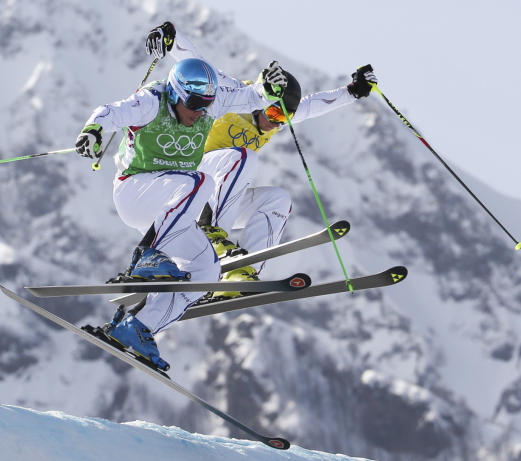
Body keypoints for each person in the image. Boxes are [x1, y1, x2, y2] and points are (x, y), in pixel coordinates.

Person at [73, 24, 288, 371]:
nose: (199, 112)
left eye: (206, 105)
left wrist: (268, 87)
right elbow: (110, 112)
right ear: (175, 93)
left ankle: (137, 328)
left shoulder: (208, 104)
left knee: (207, 268)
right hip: (136, 192)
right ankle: (148, 258)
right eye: (193, 103)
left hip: (172, 207)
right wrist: (94, 131)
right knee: (198, 181)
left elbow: (251, 97)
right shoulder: (152, 101)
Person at [160, 22, 378, 288]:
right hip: (188, 185)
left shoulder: (279, 118)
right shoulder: (238, 95)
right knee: (241, 157)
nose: (277, 123)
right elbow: (198, 62)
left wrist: (352, 92)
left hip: (219, 197)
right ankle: (211, 234)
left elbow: (315, 104)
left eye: (284, 118)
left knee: (278, 200)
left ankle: (241, 272)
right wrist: (172, 39)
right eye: (274, 113)